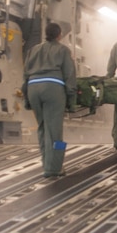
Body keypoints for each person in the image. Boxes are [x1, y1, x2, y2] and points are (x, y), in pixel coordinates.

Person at [23, 22, 77, 177]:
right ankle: (54, 168)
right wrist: (71, 101)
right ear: (59, 35)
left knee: (42, 128)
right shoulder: (63, 50)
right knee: (55, 131)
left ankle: (46, 163)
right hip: (52, 89)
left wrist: (27, 98)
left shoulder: (33, 50)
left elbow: (25, 74)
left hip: (33, 88)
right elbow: (69, 75)